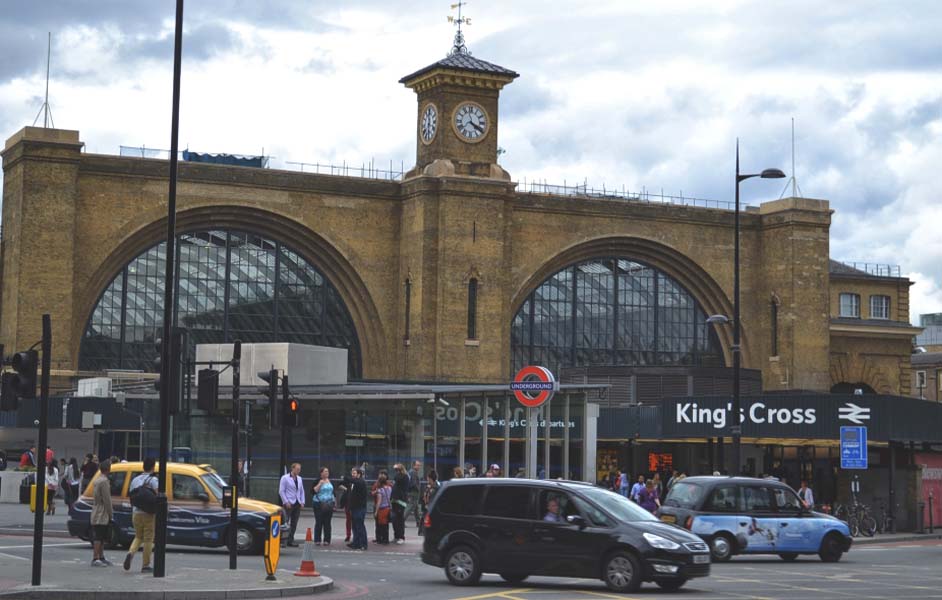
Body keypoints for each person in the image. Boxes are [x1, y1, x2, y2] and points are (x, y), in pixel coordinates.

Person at [123, 457, 158, 573]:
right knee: (148, 539)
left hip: (136, 513)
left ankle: (130, 552)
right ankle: (146, 565)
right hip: (148, 514)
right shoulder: (153, 480)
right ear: (153, 467)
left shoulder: (135, 480)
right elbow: (158, 496)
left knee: (138, 536)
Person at [90, 460, 113, 567]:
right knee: (99, 536)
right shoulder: (104, 482)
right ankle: (96, 557)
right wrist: (110, 513)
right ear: (108, 469)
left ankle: (100, 557)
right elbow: (107, 499)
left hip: (96, 509)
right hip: (102, 511)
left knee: (101, 535)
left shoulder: (97, 480)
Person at [278, 463, 304, 547]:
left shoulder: (299, 479)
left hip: (297, 502)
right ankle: (282, 541)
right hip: (289, 502)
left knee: (294, 523)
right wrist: (285, 502)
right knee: (285, 522)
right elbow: (281, 491)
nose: (298, 471)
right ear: (292, 468)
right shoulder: (285, 478)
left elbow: (301, 491)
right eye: (297, 469)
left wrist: (302, 501)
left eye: (299, 469)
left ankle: (290, 539)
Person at [311, 466, 335, 545]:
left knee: (327, 522)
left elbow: (332, 492)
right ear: (321, 473)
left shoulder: (329, 481)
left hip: (329, 504)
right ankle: (317, 539)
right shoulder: (318, 481)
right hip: (319, 503)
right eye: (325, 471)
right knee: (319, 521)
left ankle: (327, 540)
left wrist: (334, 501)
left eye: (327, 471)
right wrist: (320, 484)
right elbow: (313, 491)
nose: (327, 473)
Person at [347, 467, 368, 550]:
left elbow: (352, 481)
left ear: (359, 474)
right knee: (355, 526)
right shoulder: (354, 482)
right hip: (354, 507)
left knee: (360, 526)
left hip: (360, 507)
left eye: (354, 473)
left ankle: (363, 544)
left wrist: (346, 478)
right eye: (352, 473)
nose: (352, 475)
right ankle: (356, 543)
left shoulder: (360, 482)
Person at [390, 463, 409, 544]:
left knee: (399, 520)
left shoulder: (404, 476)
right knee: (394, 520)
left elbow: (397, 478)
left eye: (397, 470)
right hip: (395, 500)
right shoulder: (398, 476)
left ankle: (401, 537)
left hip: (400, 501)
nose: (396, 471)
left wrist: (396, 468)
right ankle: (396, 536)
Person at [372, 471, 391, 544]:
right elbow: (389, 499)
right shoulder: (389, 488)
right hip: (387, 508)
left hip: (382, 509)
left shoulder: (380, 490)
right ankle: (385, 539)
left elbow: (379, 502)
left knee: (380, 525)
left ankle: (381, 539)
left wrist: (376, 511)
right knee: (386, 525)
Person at [407, 460, 424, 534]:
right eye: (418, 465)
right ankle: (402, 519)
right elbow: (414, 483)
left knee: (416, 508)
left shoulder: (411, 472)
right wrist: (418, 488)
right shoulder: (413, 472)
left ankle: (418, 522)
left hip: (413, 492)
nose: (419, 467)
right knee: (411, 506)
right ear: (414, 465)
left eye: (419, 465)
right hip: (414, 492)